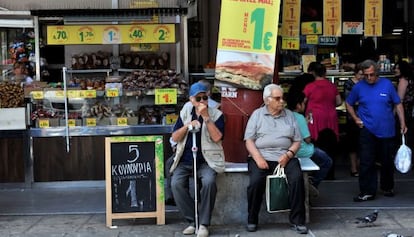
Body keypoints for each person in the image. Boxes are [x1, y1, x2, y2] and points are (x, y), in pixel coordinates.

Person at [244, 84, 308, 234]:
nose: (282, 101)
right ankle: (252, 219)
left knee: (296, 179)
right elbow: (249, 140)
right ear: (267, 100)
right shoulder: (257, 115)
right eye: (277, 98)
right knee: (255, 182)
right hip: (261, 156)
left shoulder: (289, 115)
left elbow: (297, 141)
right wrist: (258, 158)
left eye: (282, 98)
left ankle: (298, 221)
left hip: (285, 156)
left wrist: (288, 155)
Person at [346, 59, 407, 202]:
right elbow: (348, 104)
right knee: (367, 161)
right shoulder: (359, 87)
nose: (369, 78)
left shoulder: (387, 85)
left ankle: (387, 187)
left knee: (386, 160)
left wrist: (403, 123)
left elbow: (398, 104)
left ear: (377, 73)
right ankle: (367, 191)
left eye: (371, 75)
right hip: (367, 128)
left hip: (387, 128)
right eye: (366, 75)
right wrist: (355, 118)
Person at [170, 82, 225, 237]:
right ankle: (193, 221)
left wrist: (206, 118)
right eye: (198, 98)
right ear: (191, 100)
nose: (202, 101)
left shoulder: (217, 114)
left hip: (207, 160)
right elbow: (174, 137)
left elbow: (217, 138)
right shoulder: (185, 111)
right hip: (186, 159)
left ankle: (204, 223)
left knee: (208, 182)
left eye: (205, 97)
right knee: (176, 184)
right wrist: (188, 125)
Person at [286, 91, 333, 195]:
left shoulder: (285, 115)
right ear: (298, 105)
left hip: (290, 151)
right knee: (327, 161)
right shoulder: (300, 117)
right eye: (304, 103)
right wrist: (305, 125)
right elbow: (307, 139)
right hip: (304, 151)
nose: (305, 105)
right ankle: (312, 183)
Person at [303, 62, 342, 179]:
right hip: (330, 116)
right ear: (325, 73)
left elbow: (303, 101)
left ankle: (315, 171)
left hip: (314, 117)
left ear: (313, 73)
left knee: (315, 143)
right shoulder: (332, 86)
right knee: (330, 144)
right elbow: (339, 102)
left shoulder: (310, 86)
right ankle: (330, 174)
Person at [343, 64, 364, 177]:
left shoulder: (365, 83)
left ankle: (361, 166)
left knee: (363, 144)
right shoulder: (349, 83)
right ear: (355, 73)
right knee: (353, 145)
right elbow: (349, 101)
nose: (362, 77)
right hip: (352, 118)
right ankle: (353, 168)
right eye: (360, 74)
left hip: (364, 117)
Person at [395, 60, 414, 151]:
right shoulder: (410, 79)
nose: (395, 70)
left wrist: (393, 113)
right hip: (410, 111)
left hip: (404, 112)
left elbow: (399, 100)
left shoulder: (403, 80)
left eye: (398, 68)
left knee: (403, 134)